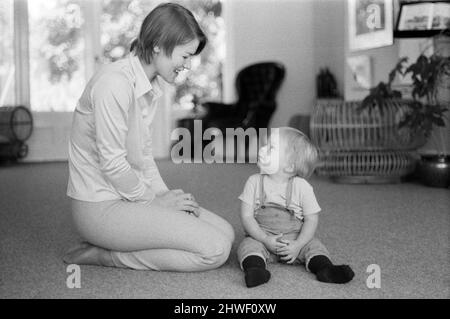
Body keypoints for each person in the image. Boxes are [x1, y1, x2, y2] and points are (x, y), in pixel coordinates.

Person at [63, 3, 234, 272]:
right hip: (101, 208)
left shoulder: (149, 87)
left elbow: (143, 158)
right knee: (215, 250)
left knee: (226, 233)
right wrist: (153, 201)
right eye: (185, 56)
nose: (188, 65)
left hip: (131, 198)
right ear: (158, 44)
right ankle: (108, 256)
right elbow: (113, 164)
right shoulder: (114, 84)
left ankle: (132, 237)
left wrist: (165, 196)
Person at [237, 127, 354, 287]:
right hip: (263, 237)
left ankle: (326, 269)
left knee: (314, 246)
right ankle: (256, 270)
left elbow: (311, 219)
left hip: (295, 238)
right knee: (247, 246)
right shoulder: (254, 182)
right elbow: (247, 216)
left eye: (271, 148)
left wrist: (298, 244)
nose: (262, 149)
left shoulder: (302, 187)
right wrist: (264, 239)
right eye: (266, 145)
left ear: (290, 167)